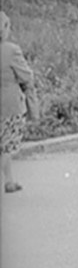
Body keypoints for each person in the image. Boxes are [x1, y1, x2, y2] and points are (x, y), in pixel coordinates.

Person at [1, 10, 39, 193]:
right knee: (6, 146)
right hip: (8, 106)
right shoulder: (11, 50)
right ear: (4, 28)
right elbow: (26, 76)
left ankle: (9, 180)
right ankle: (8, 182)